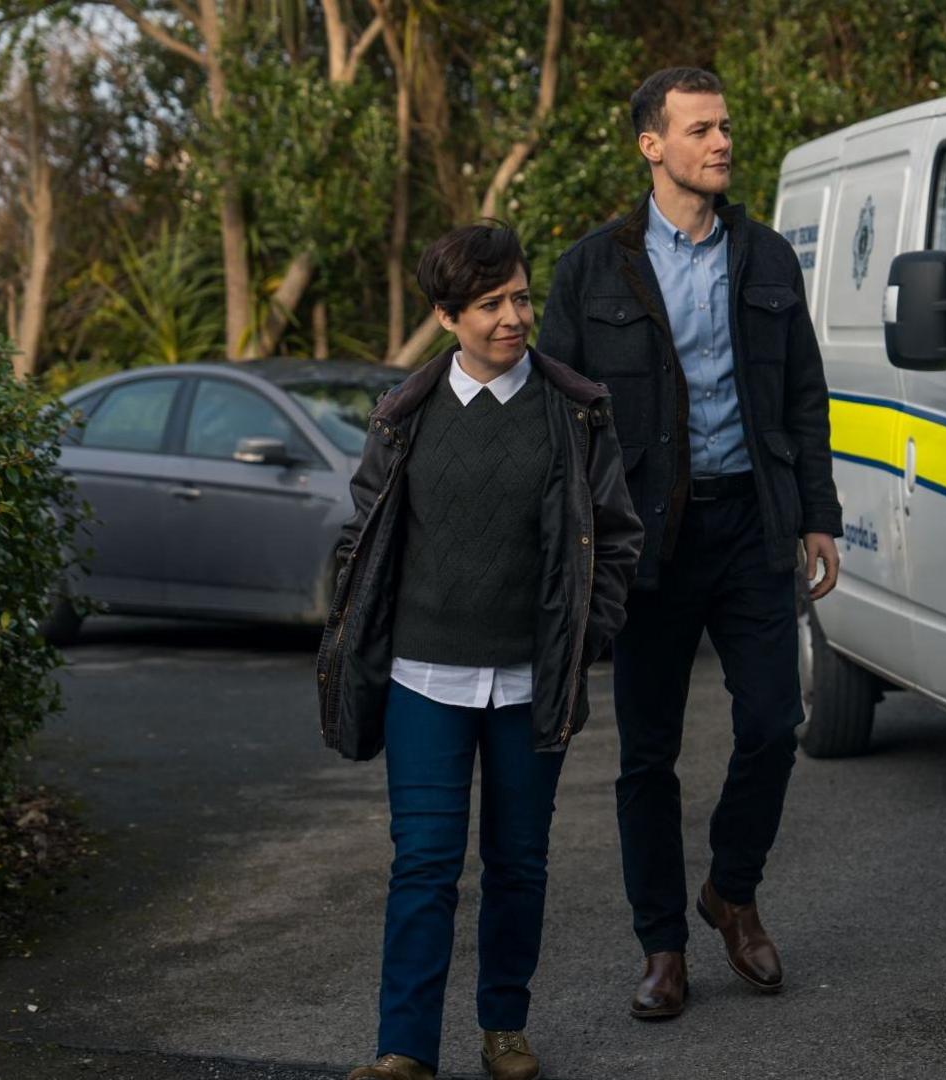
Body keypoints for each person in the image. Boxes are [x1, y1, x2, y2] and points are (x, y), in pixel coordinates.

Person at [536, 66, 843, 1020]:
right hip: (646, 539)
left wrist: (818, 514)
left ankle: (732, 892)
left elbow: (803, 396)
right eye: (700, 129)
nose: (721, 143)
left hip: (753, 522)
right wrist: (574, 542)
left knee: (772, 726)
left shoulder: (767, 259)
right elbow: (556, 422)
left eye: (724, 127)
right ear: (651, 145)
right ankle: (662, 944)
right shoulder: (591, 271)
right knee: (647, 756)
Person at [316, 222, 642, 1080]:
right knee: (422, 862)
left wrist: (587, 630)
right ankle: (404, 1049)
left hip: (531, 680)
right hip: (423, 678)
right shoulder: (403, 417)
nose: (513, 317)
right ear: (446, 316)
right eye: (491, 305)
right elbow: (363, 534)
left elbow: (616, 537)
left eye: (521, 298)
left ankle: (505, 1025)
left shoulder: (574, 410)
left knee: (518, 861)